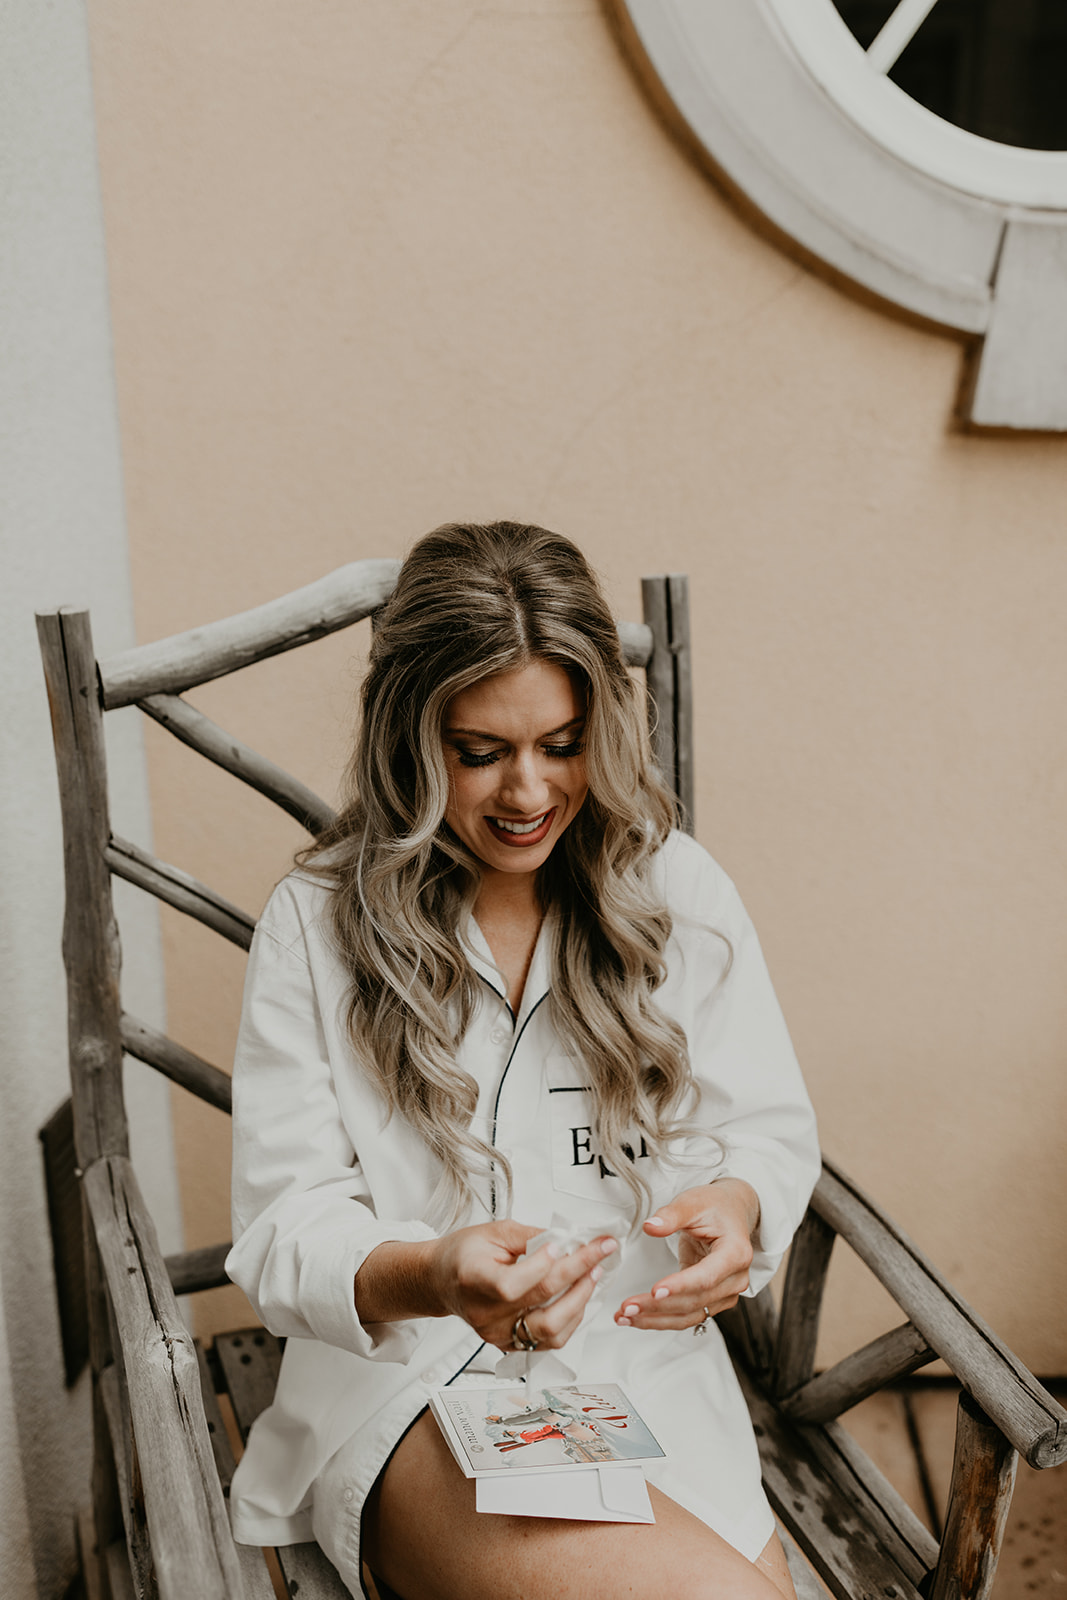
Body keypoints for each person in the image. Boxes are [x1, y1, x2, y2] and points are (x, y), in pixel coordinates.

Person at [226, 521, 821, 1600]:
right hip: (413, 1385)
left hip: (649, 1380)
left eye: (560, 741)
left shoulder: (676, 891)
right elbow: (284, 1224)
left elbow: (763, 1131)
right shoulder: (315, 925)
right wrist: (431, 1274)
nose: (527, 792)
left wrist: (733, 1208)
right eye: (480, 751)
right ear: (409, 739)